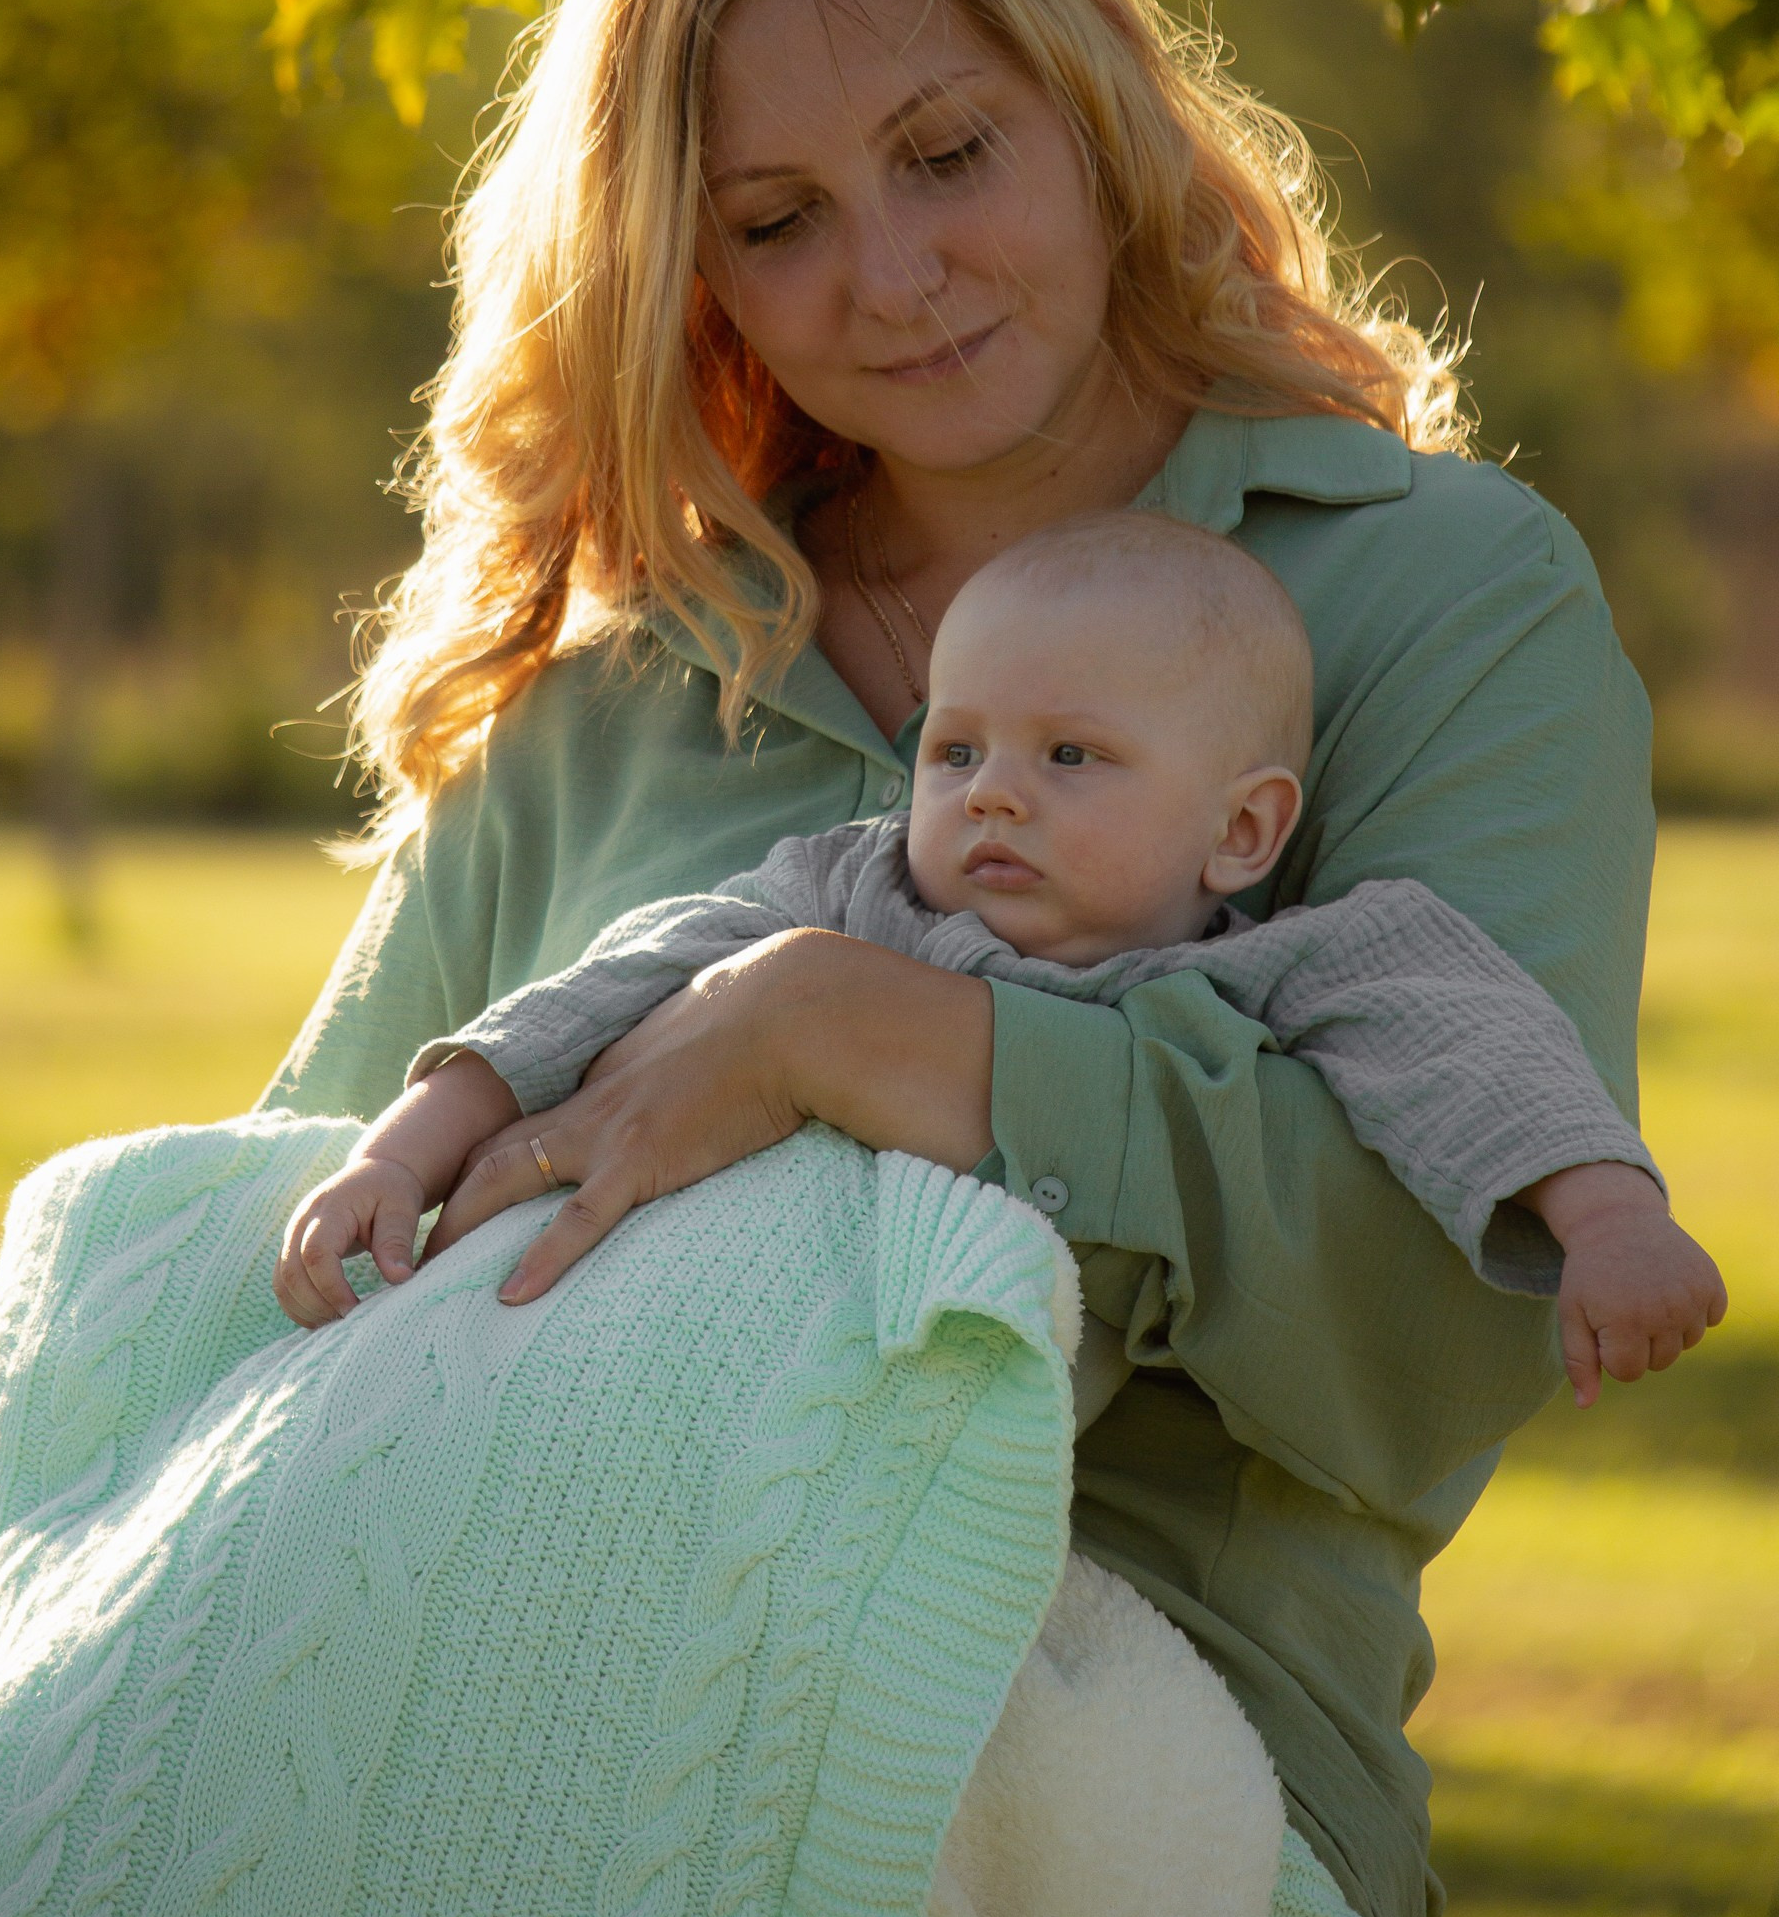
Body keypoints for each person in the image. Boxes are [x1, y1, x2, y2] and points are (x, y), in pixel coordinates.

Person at [263, 0, 1666, 1917]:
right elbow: (296, 1256)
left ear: (1094, 102)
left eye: (945, 153)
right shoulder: (614, 692)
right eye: (776, 222)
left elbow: (1444, 1333)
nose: (886, 280)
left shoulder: (1436, 598)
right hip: (519, 1763)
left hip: (1154, 1795)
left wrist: (872, 1040)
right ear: (680, 269)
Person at [273, 509, 1723, 1430]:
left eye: (1071, 756)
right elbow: (604, 986)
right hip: (656, 1358)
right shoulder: (850, 892)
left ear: (1242, 829)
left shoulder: (1282, 975)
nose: (993, 797)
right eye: (956, 751)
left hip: (924, 1432)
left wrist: (1607, 1219)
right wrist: (411, 1142)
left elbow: (1478, 1052)